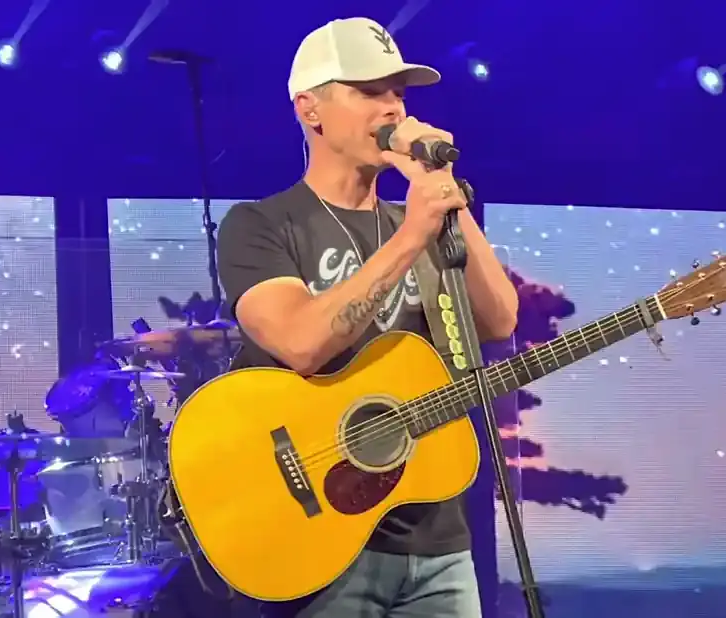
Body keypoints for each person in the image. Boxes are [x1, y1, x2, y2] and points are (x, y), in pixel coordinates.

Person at [214, 16, 519, 618]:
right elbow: (301, 342)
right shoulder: (260, 225)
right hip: (323, 537)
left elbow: (500, 319)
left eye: (399, 93)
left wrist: (441, 189)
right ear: (311, 109)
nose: (393, 109)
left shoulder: (423, 214)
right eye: (369, 91)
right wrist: (411, 234)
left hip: (437, 535)